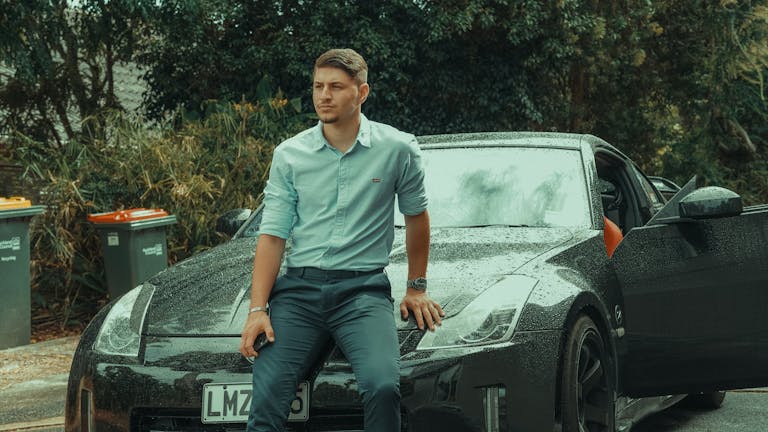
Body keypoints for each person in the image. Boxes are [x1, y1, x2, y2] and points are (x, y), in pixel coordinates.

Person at [239, 48, 445, 432]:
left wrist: (416, 287)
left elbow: (416, 217)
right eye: (318, 86)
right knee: (267, 397)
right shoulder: (290, 155)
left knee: (383, 387)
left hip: (362, 293)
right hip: (298, 293)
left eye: (336, 86)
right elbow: (273, 235)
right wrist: (257, 310)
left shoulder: (398, 148)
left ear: (362, 93)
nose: (324, 96)